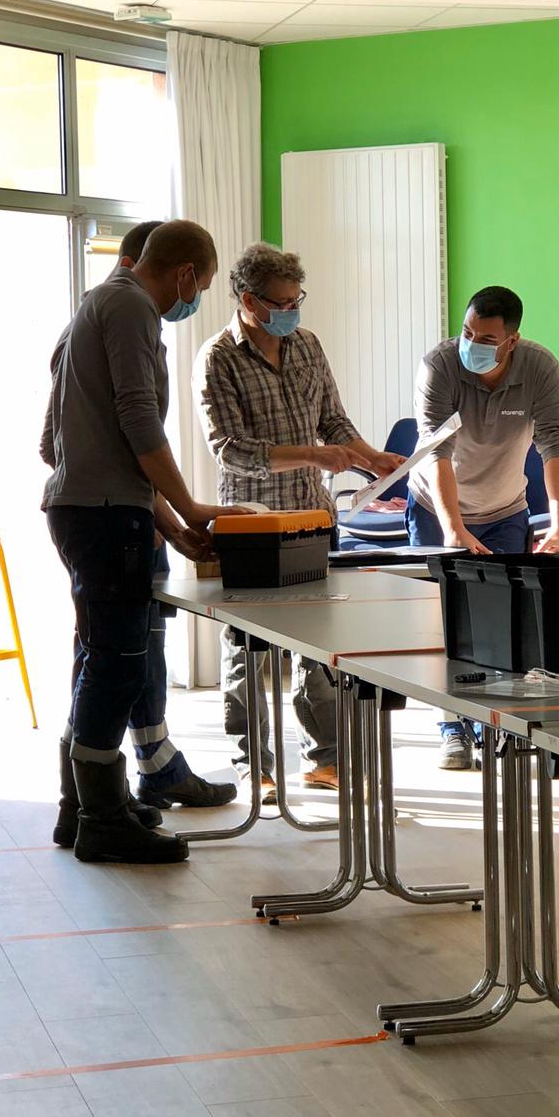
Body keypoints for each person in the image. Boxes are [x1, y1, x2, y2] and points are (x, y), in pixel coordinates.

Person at [44, 220, 236, 847]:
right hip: (103, 517)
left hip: (96, 509)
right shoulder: (129, 306)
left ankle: (85, 808)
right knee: (118, 666)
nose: (194, 298)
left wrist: (175, 529)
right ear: (185, 274)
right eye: (201, 286)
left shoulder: (96, 308)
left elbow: (81, 445)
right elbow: (136, 420)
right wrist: (190, 506)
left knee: (100, 659)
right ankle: (101, 822)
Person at [195, 243, 404, 797]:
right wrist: (311, 455)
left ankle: (326, 758)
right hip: (252, 524)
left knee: (317, 644)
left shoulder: (307, 344)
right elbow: (231, 450)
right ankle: (253, 764)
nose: (292, 311)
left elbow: (334, 421)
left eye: (297, 299)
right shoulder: (217, 358)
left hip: (314, 517)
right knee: (248, 650)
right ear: (248, 300)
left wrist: (370, 457)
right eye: (282, 302)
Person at [406, 285, 559, 770]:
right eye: (466, 331)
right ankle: (451, 726)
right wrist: (453, 527)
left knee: (502, 622)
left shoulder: (540, 368)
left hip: (504, 509)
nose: (471, 342)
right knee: (446, 619)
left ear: (512, 341)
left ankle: (491, 720)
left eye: (485, 337)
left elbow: (555, 446)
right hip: (436, 505)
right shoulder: (439, 366)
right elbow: (436, 451)